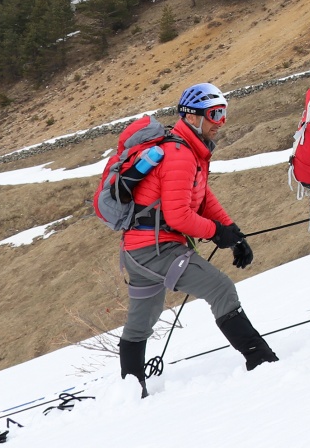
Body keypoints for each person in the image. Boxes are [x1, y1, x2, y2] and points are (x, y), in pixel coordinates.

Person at [118, 83, 277, 397]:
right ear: (192, 117)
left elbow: (202, 197)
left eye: (224, 113)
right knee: (221, 289)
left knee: (141, 321)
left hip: (139, 250)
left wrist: (232, 232)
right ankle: (262, 360)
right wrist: (218, 232)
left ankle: (131, 393)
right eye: (215, 114)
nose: (221, 121)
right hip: (155, 250)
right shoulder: (179, 154)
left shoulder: (187, 149)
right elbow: (179, 216)